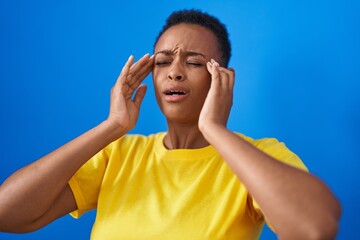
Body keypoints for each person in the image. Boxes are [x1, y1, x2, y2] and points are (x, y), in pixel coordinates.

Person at [0, 9, 341, 239]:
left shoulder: (257, 156)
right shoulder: (117, 154)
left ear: (222, 78)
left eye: (193, 62)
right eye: (163, 61)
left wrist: (216, 131)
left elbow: (315, 227)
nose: (174, 71)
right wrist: (112, 126)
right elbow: (8, 214)